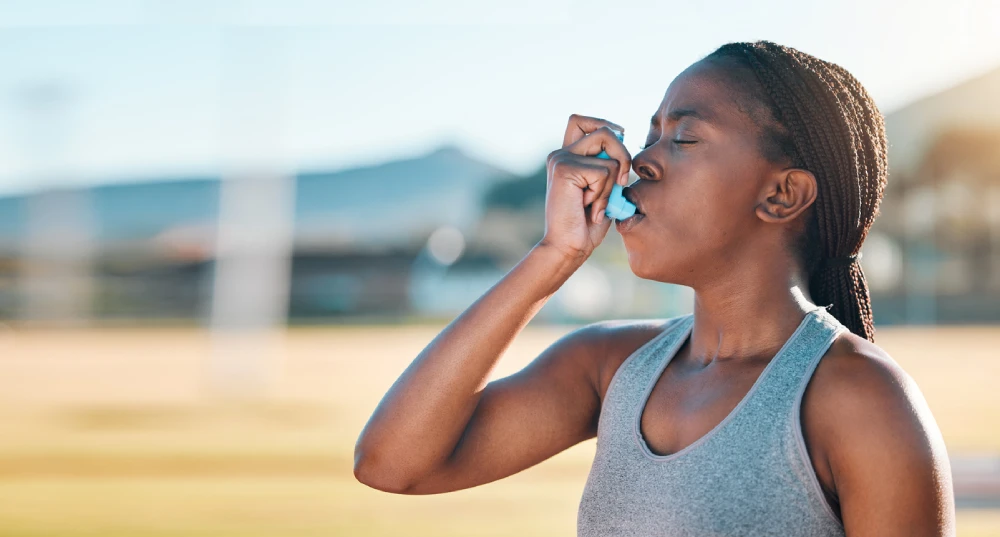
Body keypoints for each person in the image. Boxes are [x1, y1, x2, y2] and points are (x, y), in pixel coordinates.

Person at [353, 40, 956, 536]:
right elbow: (392, 463)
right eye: (651, 134)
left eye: (684, 139)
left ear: (781, 195)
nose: (640, 161)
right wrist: (554, 255)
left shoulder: (859, 399)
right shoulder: (609, 367)